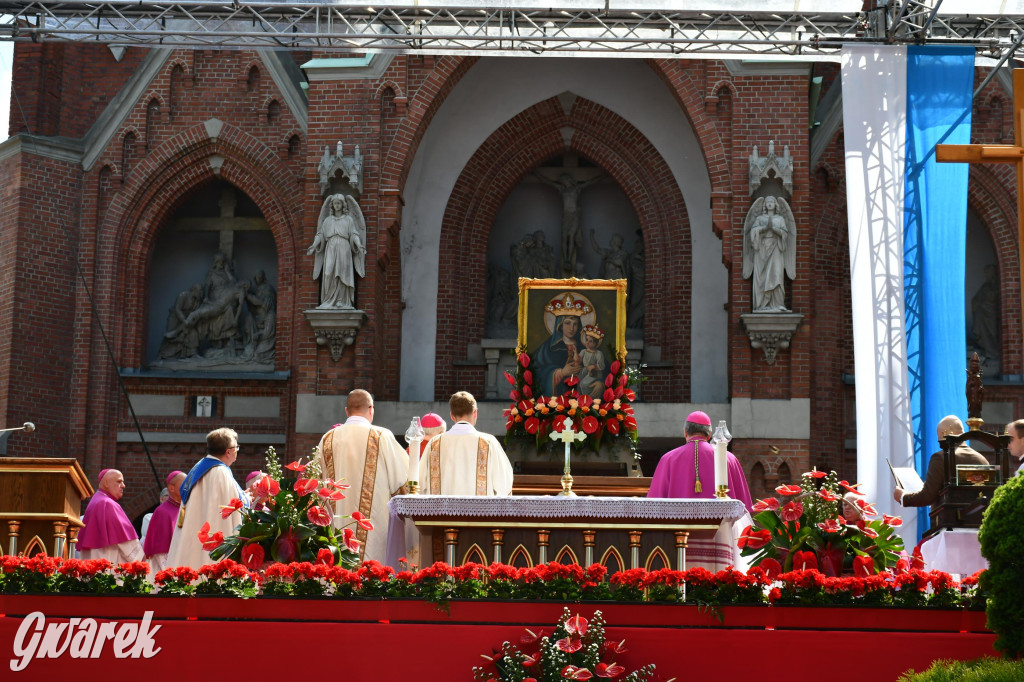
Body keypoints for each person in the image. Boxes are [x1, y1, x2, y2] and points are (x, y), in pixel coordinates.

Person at [313, 389, 408, 563]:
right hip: (374, 529)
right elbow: (403, 483)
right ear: (371, 409)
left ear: (346, 411)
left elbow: (316, 484)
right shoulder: (381, 436)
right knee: (371, 577)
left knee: (338, 573)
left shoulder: (328, 438)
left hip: (335, 525)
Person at [166, 428, 247, 570]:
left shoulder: (198, 467)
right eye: (236, 447)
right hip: (213, 535)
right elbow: (231, 508)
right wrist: (248, 499)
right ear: (229, 451)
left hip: (196, 534)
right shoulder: (221, 472)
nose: (237, 451)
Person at [647, 410, 754, 511]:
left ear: (685, 432)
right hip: (719, 528)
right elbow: (743, 506)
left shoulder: (668, 459)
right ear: (709, 434)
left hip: (679, 528)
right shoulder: (729, 458)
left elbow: (653, 504)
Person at [418, 391, 514, 496]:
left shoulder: (434, 444)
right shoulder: (489, 442)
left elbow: (420, 482)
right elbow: (504, 483)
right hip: (479, 511)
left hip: (441, 511)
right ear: (475, 413)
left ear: (451, 415)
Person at [894, 416, 989, 507]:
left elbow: (927, 497)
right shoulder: (982, 459)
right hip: (979, 521)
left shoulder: (940, 458)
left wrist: (902, 497)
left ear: (943, 434)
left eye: (938, 436)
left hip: (951, 520)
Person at [308, 194, 366, 309]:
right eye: (335, 203)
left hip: (344, 248)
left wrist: (359, 245)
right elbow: (320, 234)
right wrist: (314, 246)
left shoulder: (348, 220)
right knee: (328, 273)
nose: (337, 205)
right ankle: (328, 300)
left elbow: (354, 234)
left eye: (339, 203)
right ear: (332, 205)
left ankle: (342, 301)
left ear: (343, 205)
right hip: (330, 247)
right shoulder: (327, 220)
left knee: (342, 272)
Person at [77, 469, 145, 564]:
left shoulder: (96, 500)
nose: (123, 486)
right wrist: (141, 557)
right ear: (106, 483)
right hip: (107, 563)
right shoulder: (107, 503)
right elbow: (125, 538)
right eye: (119, 482)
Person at [743, 195, 796, 312]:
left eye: (772, 201)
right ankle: (762, 304)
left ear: (775, 204)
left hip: (776, 248)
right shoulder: (760, 218)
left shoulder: (780, 219)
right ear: (765, 205)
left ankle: (777, 304)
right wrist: (764, 228)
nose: (770, 203)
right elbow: (753, 233)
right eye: (768, 202)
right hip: (762, 249)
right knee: (762, 276)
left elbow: (785, 234)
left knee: (777, 274)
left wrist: (774, 229)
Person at [532, 294, 590, 396]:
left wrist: (598, 383)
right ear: (560, 326)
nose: (572, 328)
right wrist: (561, 373)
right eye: (567, 323)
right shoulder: (548, 348)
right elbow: (535, 371)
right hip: (555, 401)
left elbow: (601, 372)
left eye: (575, 324)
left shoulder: (585, 348)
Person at [143, 471, 185, 574]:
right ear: (171, 488)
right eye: (184, 484)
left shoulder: (185, 508)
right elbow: (160, 548)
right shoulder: (162, 512)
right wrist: (168, 571)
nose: (188, 487)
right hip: (166, 569)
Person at [578, 324, 606, 399]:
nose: (587, 343)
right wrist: (574, 353)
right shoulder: (583, 351)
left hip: (594, 373)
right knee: (577, 380)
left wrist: (593, 366)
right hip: (585, 371)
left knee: (583, 384)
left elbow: (601, 366)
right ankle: (580, 398)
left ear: (596, 344)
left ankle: (587, 398)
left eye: (590, 341)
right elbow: (578, 360)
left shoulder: (598, 353)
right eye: (586, 340)